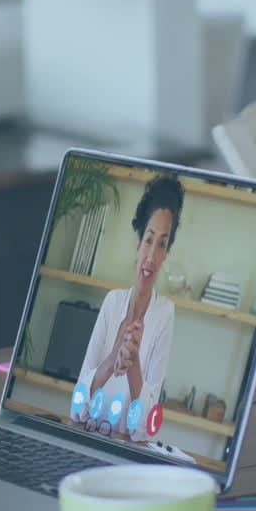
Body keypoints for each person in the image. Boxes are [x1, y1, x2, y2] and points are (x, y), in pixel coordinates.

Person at [69, 175, 184, 441]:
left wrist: (133, 364)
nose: (152, 256)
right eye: (148, 240)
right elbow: (76, 410)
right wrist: (112, 359)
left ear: (166, 253)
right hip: (85, 441)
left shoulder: (165, 313)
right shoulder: (113, 302)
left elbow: (143, 430)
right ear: (138, 243)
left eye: (162, 244)